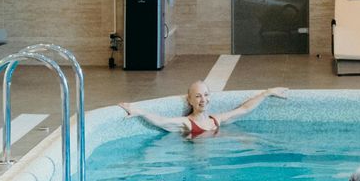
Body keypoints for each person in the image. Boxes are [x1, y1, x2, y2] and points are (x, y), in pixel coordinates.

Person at [119, 80, 287, 138]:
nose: (203, 100)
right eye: (198, 96)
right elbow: (162, 121)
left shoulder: (215, 120)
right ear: (190, 100)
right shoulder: (187, 123)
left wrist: (267, 93)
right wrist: (139, 111)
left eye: (206, 95)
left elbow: (244, 109)